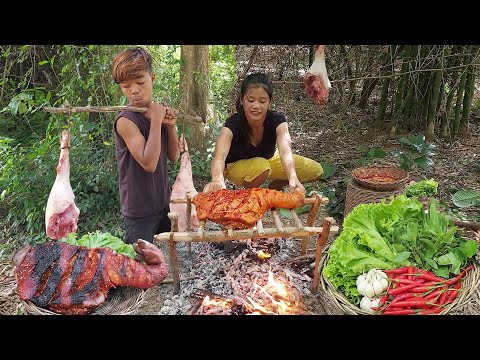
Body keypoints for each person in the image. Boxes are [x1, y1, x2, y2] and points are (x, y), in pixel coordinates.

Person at [203, 72, 323, 194]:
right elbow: (219, 156)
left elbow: (285, 151)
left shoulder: (278, 120)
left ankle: (276, 185)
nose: (256, 106)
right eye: (250, 100)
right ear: (242, 100)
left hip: (268, 161)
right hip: (237, 167)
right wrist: (217, 178)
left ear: (270, 102)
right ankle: (250, 196)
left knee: (316, 170)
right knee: (262, 166)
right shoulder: (232, 124)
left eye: (262, 101)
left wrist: (292, 177)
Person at [112, 46, 180, 244]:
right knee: (137, 266)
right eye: (126, 86)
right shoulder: (126, 121)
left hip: (162, 202)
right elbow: (149, 163)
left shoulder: (155, 112)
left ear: (152, 79)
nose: (134, 90)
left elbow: (174, 156)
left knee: (166, 255)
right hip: (139, 210)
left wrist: (170, 126)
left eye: (140, 82)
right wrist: (157, 121)